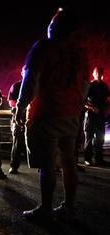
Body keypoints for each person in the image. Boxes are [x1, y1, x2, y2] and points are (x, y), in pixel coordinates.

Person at [15, 8, 90, 219]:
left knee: (47, 163)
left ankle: (46, 209)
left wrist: (21, 107)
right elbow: (85, 85)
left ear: (54, 27)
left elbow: (31, 81)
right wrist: (76, 103)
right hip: (71, 113)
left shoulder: (42, 47)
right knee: (69, 161)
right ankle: (69, 207)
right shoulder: (80, 53)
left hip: (46, 113)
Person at [84, 67, 109, 166]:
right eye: (97, 72)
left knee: (100, 138)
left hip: (100, 116)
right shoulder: (89, 85)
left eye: (100, 72)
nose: (99, 74)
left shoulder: (104, 86)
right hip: (90, 115)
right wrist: (93, 108)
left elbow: (106, 99)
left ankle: (99, 159)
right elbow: (83, 101)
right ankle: (87, 159)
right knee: (89, 138)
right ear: (93, 73)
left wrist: (106, 108)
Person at [8, 66, 27, 174]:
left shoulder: (34, 85)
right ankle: (14, 166)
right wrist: (25, 107)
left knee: (36, 141)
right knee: (17, 143)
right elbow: (11, 102)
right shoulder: (16, 86)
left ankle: (39, 165)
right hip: (19, 117)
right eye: (25, 72)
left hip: (32, 117)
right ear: (21, 73)